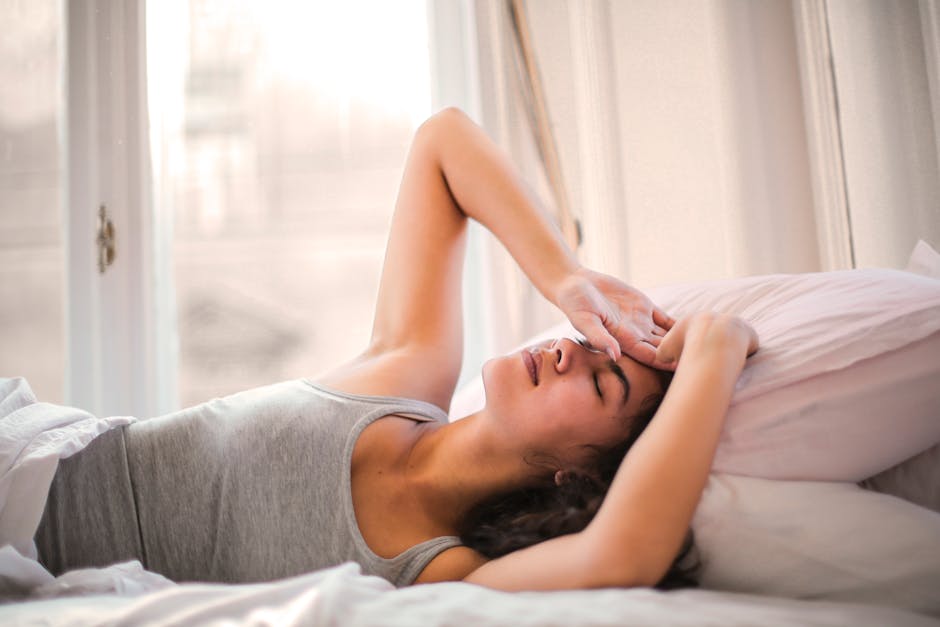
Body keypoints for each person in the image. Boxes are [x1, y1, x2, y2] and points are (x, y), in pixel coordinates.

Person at [33, 108, 758, 591]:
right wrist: (566, 276)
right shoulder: (406, 373)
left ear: (575, 476)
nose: (574, 349)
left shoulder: (438, 571)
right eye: (590, 341)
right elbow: (443, 142)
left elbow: (624, 552)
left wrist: (714, 351)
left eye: (601, 384)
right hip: (30, 456)